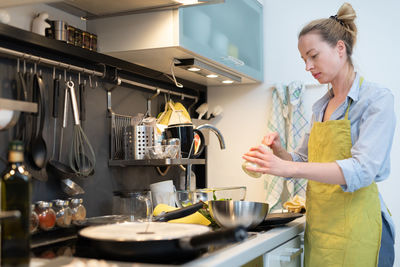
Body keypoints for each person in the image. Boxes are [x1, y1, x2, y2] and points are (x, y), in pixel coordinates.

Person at [242, 3, 395, 267]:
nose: (307, 66)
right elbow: (302, 160)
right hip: (323, 229)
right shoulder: (321, 106)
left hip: (361, 229)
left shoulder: (376, 99)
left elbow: (361, 170)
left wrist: (285, 166)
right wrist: (280, 153)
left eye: (313, 56)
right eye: (304, 59)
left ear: (339, 48)